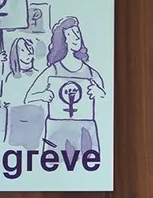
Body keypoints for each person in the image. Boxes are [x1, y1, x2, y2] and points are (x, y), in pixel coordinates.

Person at [25, 16, 106, 154]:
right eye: (70, 34)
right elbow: (29, 97)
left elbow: (107, 98)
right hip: (58, 129)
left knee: (86, 160)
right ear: (63, 40)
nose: (76, 37)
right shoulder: (53, 71)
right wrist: (42, 95)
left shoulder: (90, 73)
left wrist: (99, 93)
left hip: (85, 127)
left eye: (77, 32)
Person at [0, 37, 45, 149]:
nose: (28, 53)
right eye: (23, 50)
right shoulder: (10, 78)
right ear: (16, 54)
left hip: (36, 123)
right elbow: (4, 100)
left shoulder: (39, 76)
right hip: (17, 125)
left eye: (29, 49)